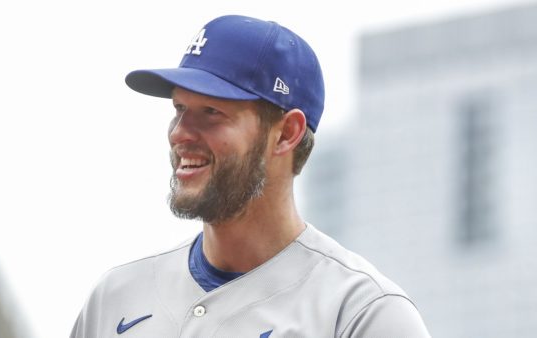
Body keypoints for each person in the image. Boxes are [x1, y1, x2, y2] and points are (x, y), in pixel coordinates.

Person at [70, 15, 431, 337]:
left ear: (287, 133)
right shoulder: (116, 296)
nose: (180, 133)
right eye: (179, 108)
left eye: (211, 111)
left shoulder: (359, 313)